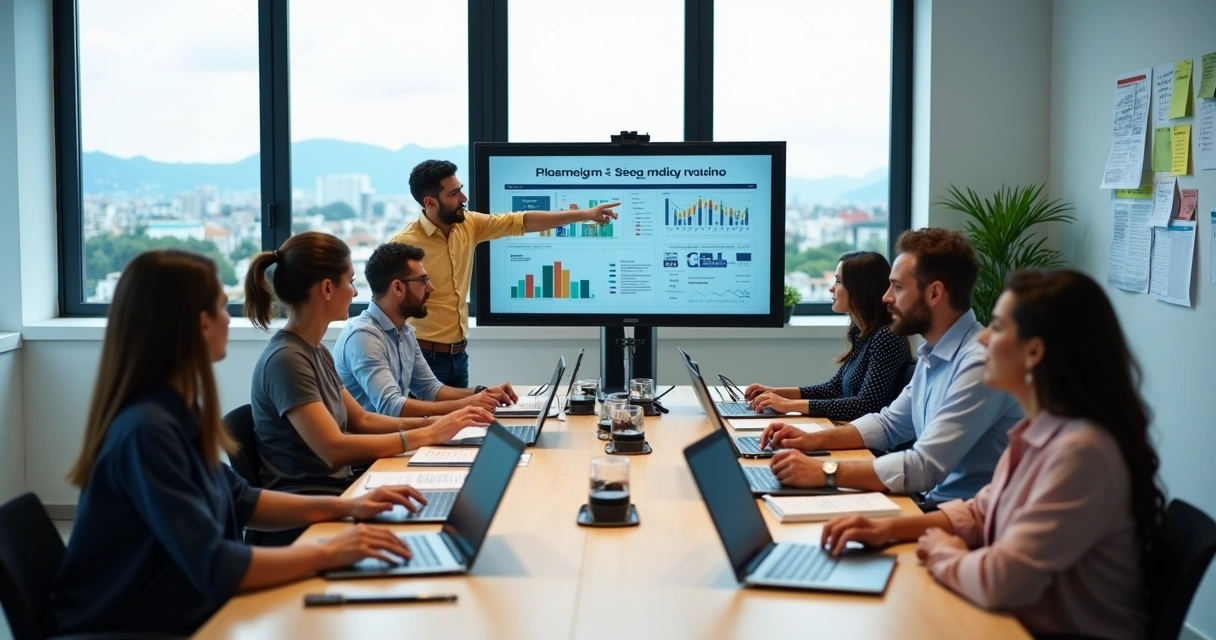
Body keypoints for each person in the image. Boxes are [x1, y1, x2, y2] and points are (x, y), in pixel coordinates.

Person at [50, 250, 433, 637]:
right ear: (201, 325)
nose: (226, 320)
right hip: (132, 626)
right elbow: (214, 566)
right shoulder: (147, 431)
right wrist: (329, 551)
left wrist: (350, 506)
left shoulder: (173, 413)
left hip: (174, 607)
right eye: (221, 307)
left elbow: (241, 499)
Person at [820, 269, 1167, 640]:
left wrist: (942, 551)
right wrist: (886, 528)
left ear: (1034, 352)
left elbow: (1000, 580)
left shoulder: (1081, 453)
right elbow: (980, 511)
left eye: (998, 328)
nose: (984, 338)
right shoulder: (1044, 429)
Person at [761, 228, 1021, 506]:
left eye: (897, 287)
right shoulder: (933, 354)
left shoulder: (980, 363)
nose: (886, 297)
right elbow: (888, 424)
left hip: (958, 517)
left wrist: (826, 472)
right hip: (930, 503)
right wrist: (809, 440)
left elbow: (925, 466)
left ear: (934, 293)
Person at [244, 232, 492, 501]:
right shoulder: (286, 359)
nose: (355, 291)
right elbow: (334, 449)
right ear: (327, 289)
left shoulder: (315, 351)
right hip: (311, 506)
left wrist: (437, 422)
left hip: (338, 490)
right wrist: (427, 432)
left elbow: (361, 420)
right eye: (350, 282)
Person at [390, 159, 620, 387]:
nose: (464, 198)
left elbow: (522, 221)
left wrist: (585, 214)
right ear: (430, 202)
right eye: (453, 194)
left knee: (460, 423)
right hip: (422, 357)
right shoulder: (404, 245)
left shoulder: (468, 225)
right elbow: (387, 306)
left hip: (459, 357)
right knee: (422, 423)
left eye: (460, 190)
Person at [334, 241, 520, 417]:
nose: (431, 288)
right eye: (423, 280)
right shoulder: (364, 336)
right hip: (368, 445)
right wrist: (469, 404)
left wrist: (485, 393)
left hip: (391, 437)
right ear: (397, 287)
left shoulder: (404, 331)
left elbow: (431, 389)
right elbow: (390, 406)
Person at [743, 251, 913, 421]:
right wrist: (774, 393)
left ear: (860, 288)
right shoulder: (862, 332)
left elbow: (865, 406)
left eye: (838, 281)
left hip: (869, 444)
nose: (832, 288)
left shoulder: (886, 336)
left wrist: (789, 405)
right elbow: (834, 388)